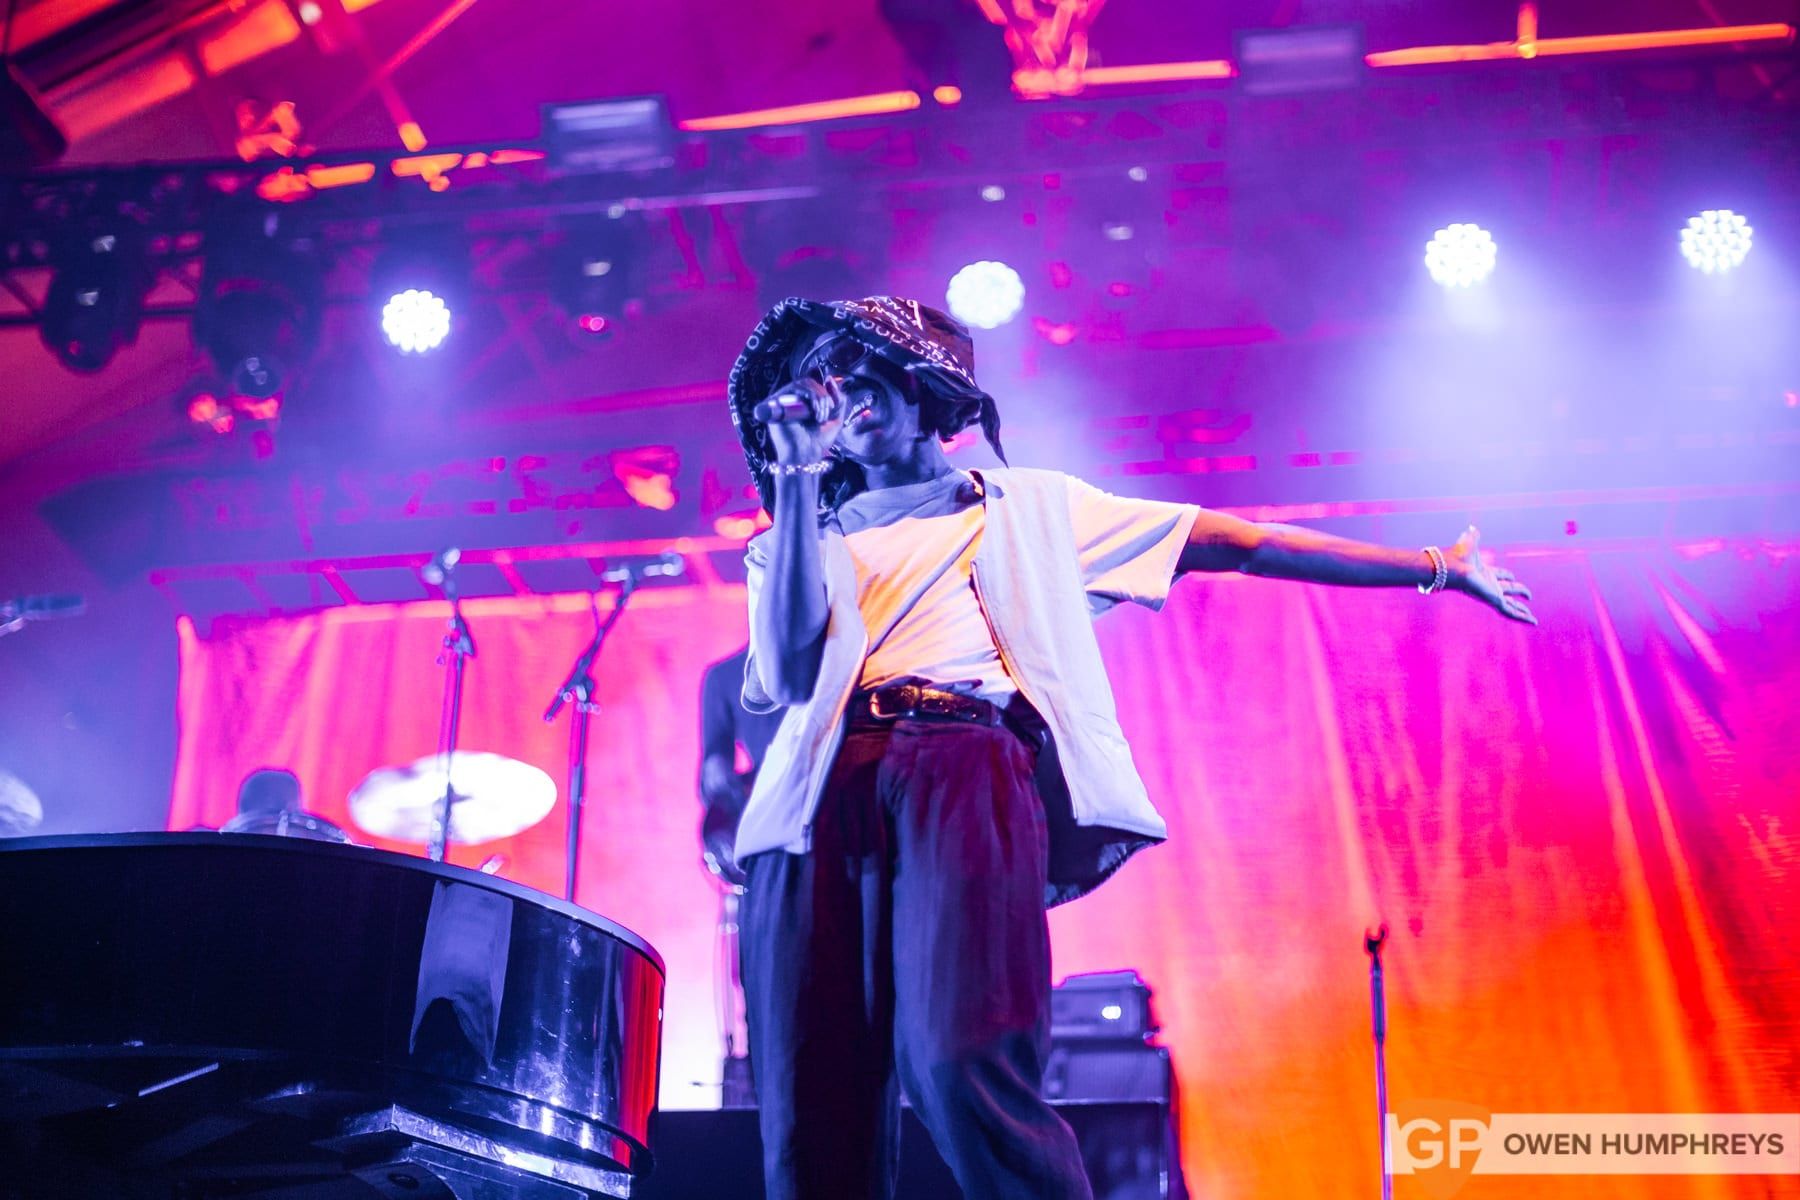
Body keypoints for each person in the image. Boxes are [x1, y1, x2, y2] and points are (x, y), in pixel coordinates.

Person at [724, 296, 1535, 1200]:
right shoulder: (798, 536)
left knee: (960, 1062)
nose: (838, 391)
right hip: (813, 800)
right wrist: (794, 488)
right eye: (824, 376)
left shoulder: (1033, 506)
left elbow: (1244, 545)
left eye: (860, 365)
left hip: (962, 764)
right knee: (811, 1096)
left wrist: (1433, 566)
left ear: (931, 390)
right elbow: (792, 673)